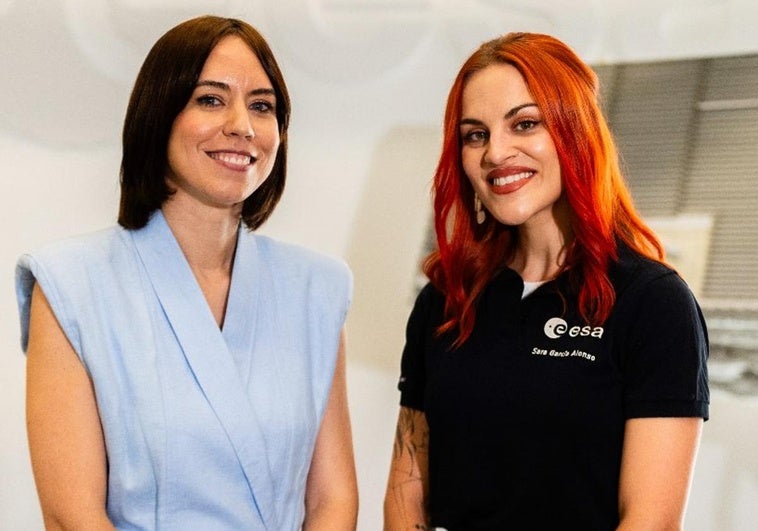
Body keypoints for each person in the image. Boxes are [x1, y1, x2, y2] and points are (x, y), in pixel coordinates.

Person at [16, 15, 358, 530]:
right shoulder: (71, 283)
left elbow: (333, 500)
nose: (241, 125)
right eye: (210, 99)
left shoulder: (317, 288)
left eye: (261, 106)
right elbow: (71, 517)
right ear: (158, 115)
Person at [384, 32, 709, 530]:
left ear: (575, 131)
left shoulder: (652, 302)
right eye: (476, 134)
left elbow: (651, 520)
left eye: (525, 124)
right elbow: (407, 496)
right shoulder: (446, 299)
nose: (496, 152)